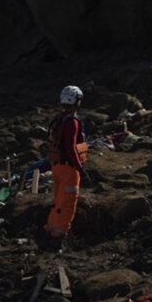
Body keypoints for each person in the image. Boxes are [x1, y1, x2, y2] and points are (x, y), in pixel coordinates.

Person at [42, 85, 88, 250]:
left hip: (57, 167)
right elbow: (71, 148)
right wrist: (80, 168)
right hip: (69, 168)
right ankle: (57, 239)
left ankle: (50, 231)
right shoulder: (72, 122)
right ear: (76, 101)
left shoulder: (59, 118)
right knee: (67, 204)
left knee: (58, 202)